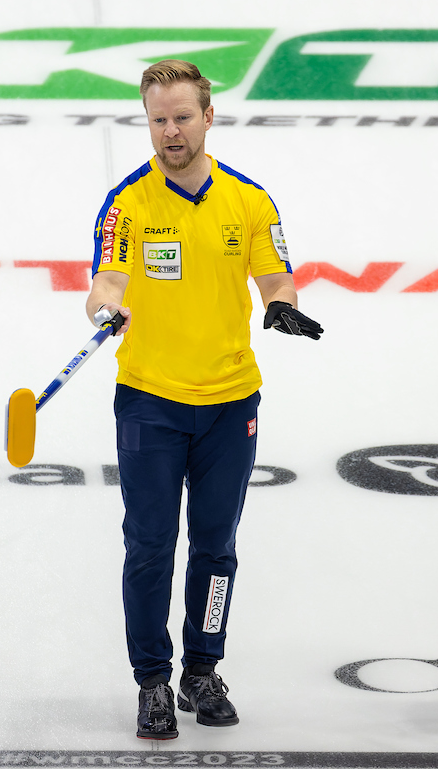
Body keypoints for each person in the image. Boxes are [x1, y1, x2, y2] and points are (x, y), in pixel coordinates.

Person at [85, 59, 323, 740]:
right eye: (158, 119)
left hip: (228, 406)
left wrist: (280, 306)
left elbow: (276, 277)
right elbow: (105, 280)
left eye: (182, 117)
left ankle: (202, 669)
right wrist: (104, 308)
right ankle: (154, 681)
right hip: (150, 405)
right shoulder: (127, 205)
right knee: (151, 546)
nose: (170, 132)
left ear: (209, 116)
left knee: (216, 547)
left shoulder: (248, 202)